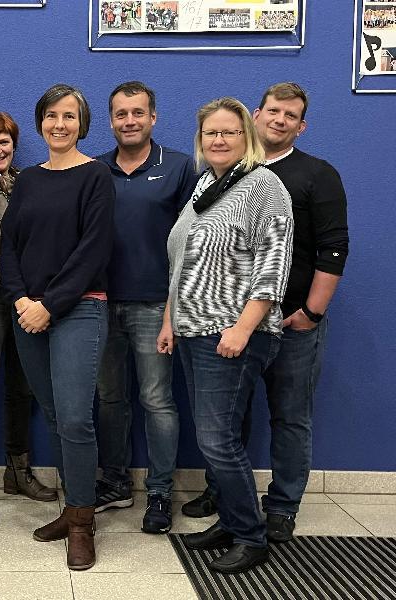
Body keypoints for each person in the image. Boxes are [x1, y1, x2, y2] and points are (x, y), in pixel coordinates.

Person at [182, 83, 349, 540]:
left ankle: (279, 507)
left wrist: (310, 313)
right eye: (272, 110)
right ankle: (229, 505)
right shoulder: (216, 178)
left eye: (290, 115)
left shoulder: (311, 175)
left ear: (301, 125)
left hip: (285, 319)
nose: (279, 119)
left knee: (289, 414)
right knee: (225, 422)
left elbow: (331, 250)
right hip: (220, 324)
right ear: (258, 115)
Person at [160, 97, 293, 573]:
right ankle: (232, 521)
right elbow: (182, 260)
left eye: (229, 133)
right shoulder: (205, 186)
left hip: (233, 333)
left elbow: (273, 267)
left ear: (248, 137)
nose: (219, 140)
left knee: (218, 439)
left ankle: (252, 536)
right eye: (211, 133)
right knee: (215, 434)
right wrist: (169, 320)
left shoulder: (265, 187)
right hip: (195, 331)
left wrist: (242, 328)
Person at [0, 84, 115, 571]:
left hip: (79, 309)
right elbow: (9, 247)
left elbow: (93, 249)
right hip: (27, 312)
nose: (59, 124)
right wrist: (23, 299)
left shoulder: (96, 176)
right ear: (40, 122)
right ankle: (70, 511)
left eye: (69, 116)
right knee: (52, 415)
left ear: (82, 124)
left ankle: (83, 524)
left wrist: (49, 303)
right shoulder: (26, 180)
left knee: (75, 419)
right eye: (51, 115)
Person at [94, 82, 198, 533]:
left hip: (157, 304)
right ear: (111, 120)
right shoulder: (94, 169)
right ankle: (115, 483)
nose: (129, 121)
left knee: (157, 400)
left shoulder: (179, 168)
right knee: (109, 400)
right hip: (97, 305)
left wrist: (174, 311)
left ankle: (159, 493)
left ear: (153, 117)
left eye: (138, 112)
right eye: (121, 114)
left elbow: (193, 245)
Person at [0, 112, 57, 521]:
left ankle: (18, 471)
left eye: (5, 142)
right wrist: (14, 280)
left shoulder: (28, 182)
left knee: (25, 386)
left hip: (26, 300)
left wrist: (29, 288)